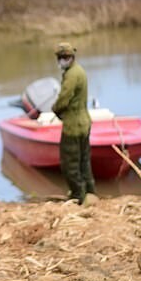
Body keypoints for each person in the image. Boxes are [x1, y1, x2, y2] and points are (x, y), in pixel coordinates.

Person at [51, 42, 97, 205]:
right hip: (84, 123)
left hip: (73, 126)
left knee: (69, 163)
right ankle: (90, 192)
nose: (63, 60)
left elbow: (64, 98)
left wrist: (55, 109)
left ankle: (78, 196)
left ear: (72, 57)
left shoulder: (71, 75)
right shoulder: (80, 70)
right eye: (61, 57)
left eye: (65, 57)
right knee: (84, 160)